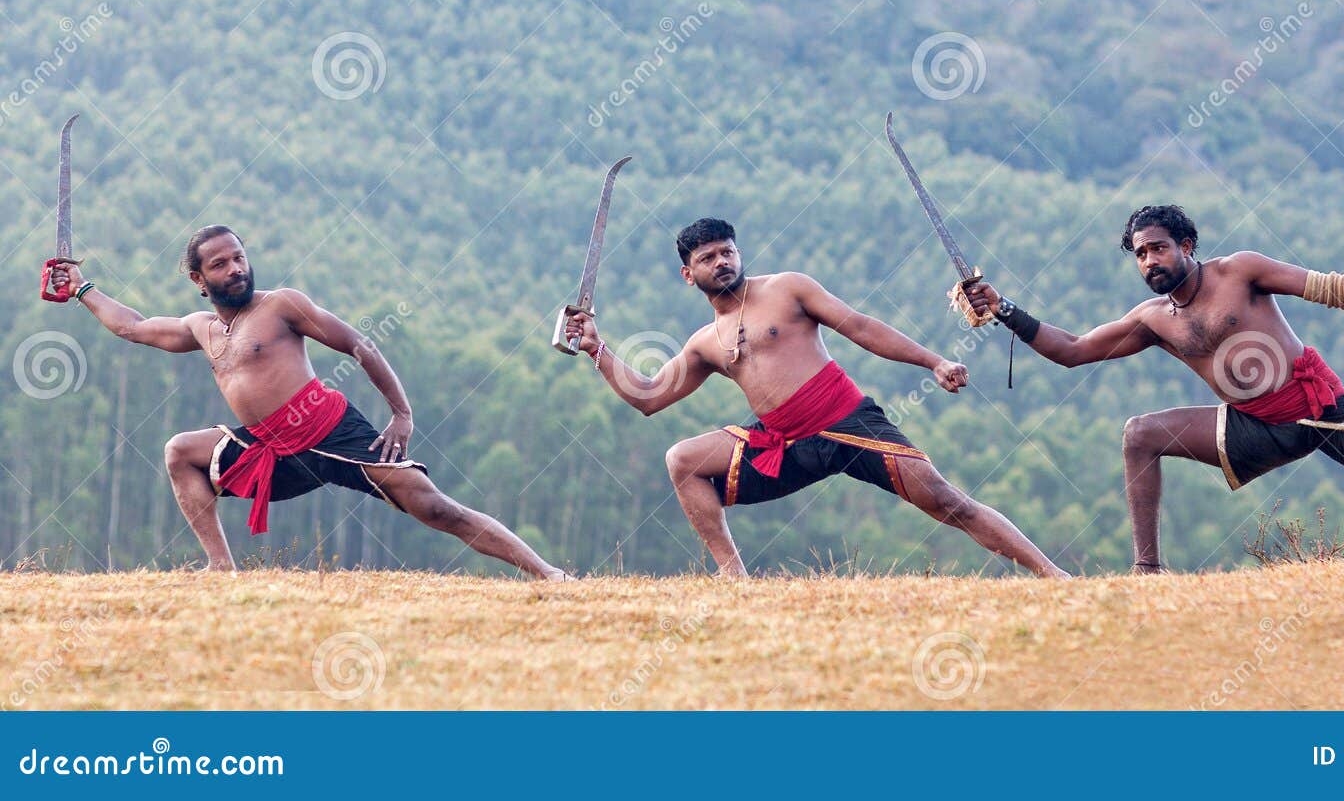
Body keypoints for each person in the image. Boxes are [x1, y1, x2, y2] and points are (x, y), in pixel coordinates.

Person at [963, 204, 1344, 572]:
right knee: (1139, 434)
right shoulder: (1152, 319)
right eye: (1140, 254)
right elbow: (1070, 351)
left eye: (1158, 247)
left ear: (1186, 246)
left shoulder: (1239, 271)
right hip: (1252, 427)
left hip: (1321, 407)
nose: (1149, 260)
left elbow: (1328, 287)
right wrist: (1004, 308)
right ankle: (1148, 573)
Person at [50, 225, 568, 578]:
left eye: (239, 258)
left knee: (434, 506)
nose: (235, 268)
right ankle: (221, 569)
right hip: (269, 450)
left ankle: (548, 574)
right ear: (198, 279)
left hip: (331, 431)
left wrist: (402, 413)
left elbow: (359, 345)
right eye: (221, 264)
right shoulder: (201, 328)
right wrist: (82, 288)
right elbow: (136, 327)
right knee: (180, 451)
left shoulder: (282, 305)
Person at [564, 217, 1068, 578]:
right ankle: (734, 578)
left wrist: (933, 362)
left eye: (728, 252)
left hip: (847, 421)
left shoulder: (787, 289)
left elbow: (861, 326)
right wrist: (597, 348)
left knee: (946, 500)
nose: (722, 262)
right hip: (781, 443)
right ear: (687, 274)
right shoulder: (704, 342)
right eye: (707, 258)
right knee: (683, 460)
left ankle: (1052, 575)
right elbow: (649, 396)